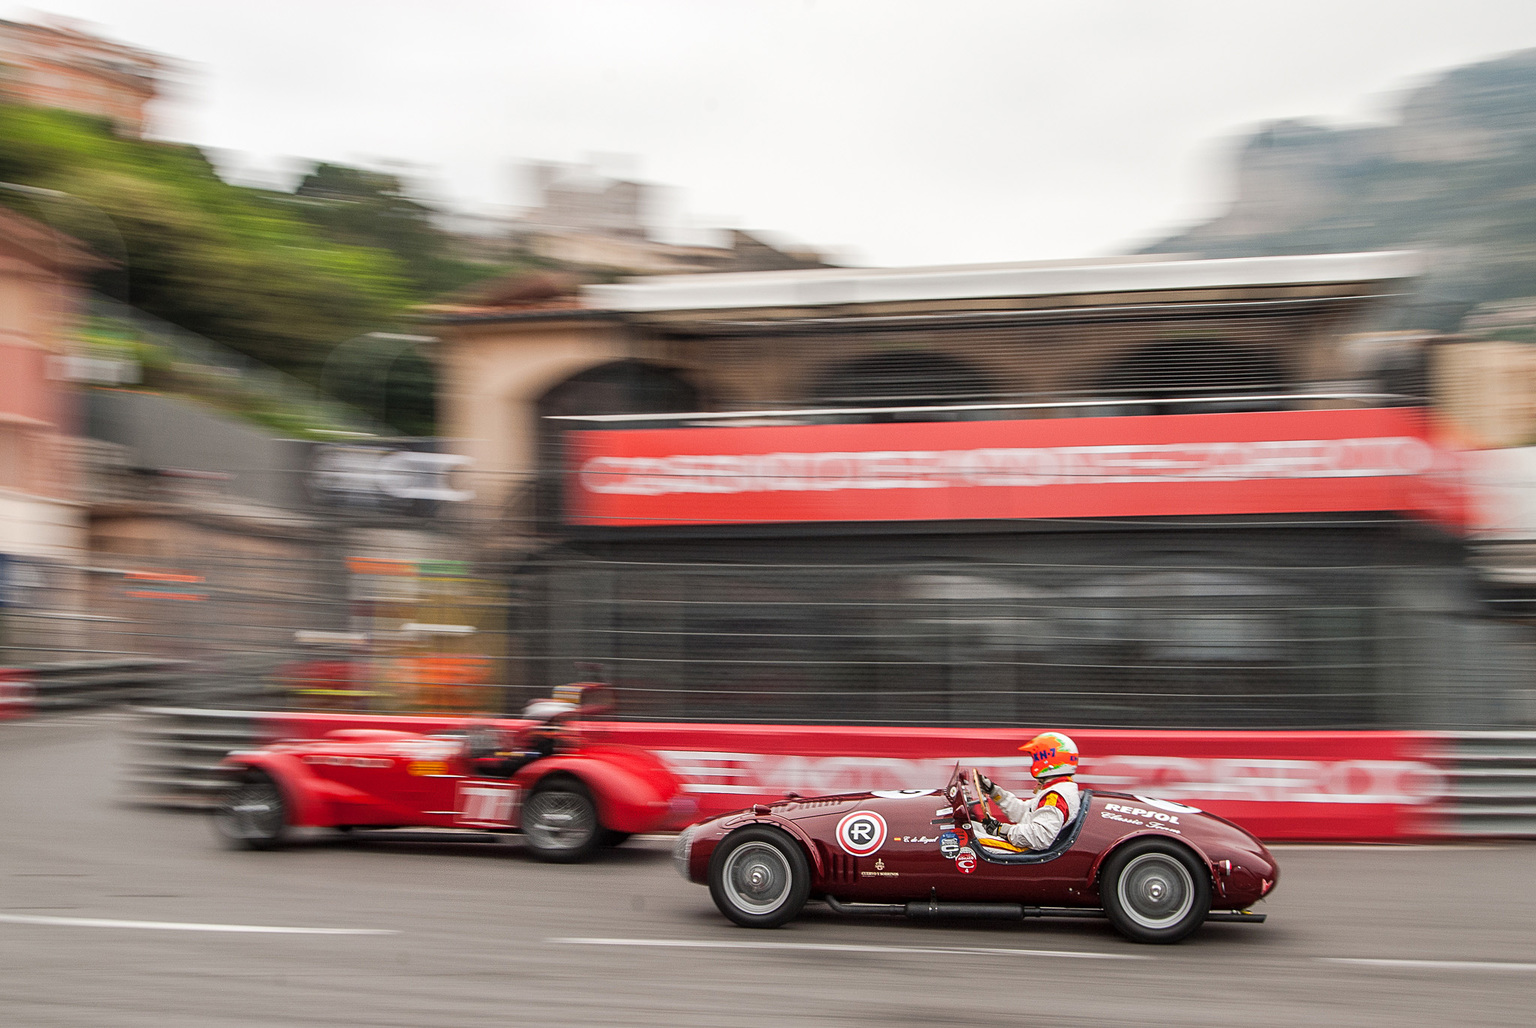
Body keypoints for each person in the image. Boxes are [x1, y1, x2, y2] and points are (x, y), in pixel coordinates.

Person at [971, 731, 1081, 851]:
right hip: (1025, 845)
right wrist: (994, 792)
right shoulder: (1058, 788)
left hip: (1026, 851)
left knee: (962, 838)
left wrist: (1002, 830)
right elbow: (1023, 813)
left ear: (1047, 761)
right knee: (971, 827)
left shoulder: (1055, 797)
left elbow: (1040, 837)